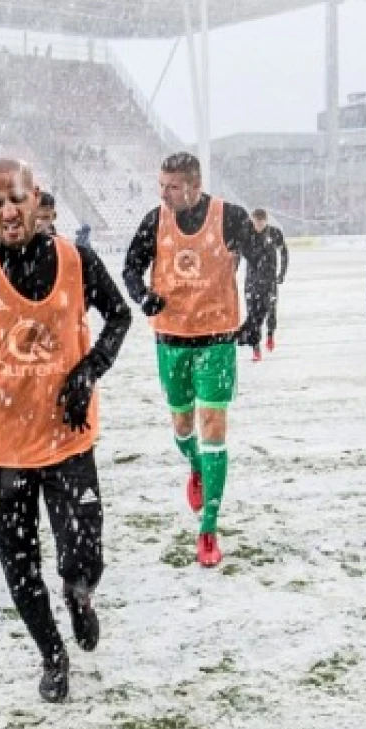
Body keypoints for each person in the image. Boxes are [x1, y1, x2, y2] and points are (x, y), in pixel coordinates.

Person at [0, 158, 132, 703]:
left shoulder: (76, 259)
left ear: (35, 197)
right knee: (19, 568)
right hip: (3, 450)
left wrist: (89, 369)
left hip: (69, 440)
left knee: (84, 556)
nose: (8, 212)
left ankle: (79, 594)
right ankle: (52, 656)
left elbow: (120, 316)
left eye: (16, 199)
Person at [122, 152, 263, 567]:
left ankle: (209, 527)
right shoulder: (155, 220)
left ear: (194, 186)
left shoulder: (229, 216)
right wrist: (142, 296)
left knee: (214, 425)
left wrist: (256, 315)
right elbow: (130, 266)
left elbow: (261, 262)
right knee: (183, 426)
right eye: (160, 185)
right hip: (171, 338)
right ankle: (196, 465)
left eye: (171, 186)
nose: (163, 193)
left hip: (217, 338)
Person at [245, 208, 289, 362]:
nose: (258, 225)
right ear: (252, 220)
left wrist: (282, 273)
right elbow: (237, 253)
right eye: (256, 222)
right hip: (251, 282)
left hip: (269, 281)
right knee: (252, 316)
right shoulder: (247, 234)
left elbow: (284, 253)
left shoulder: (274, 233)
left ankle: (270, 335)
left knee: (271, 311)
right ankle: (256, 350)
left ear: (266, 221)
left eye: (261, 222)